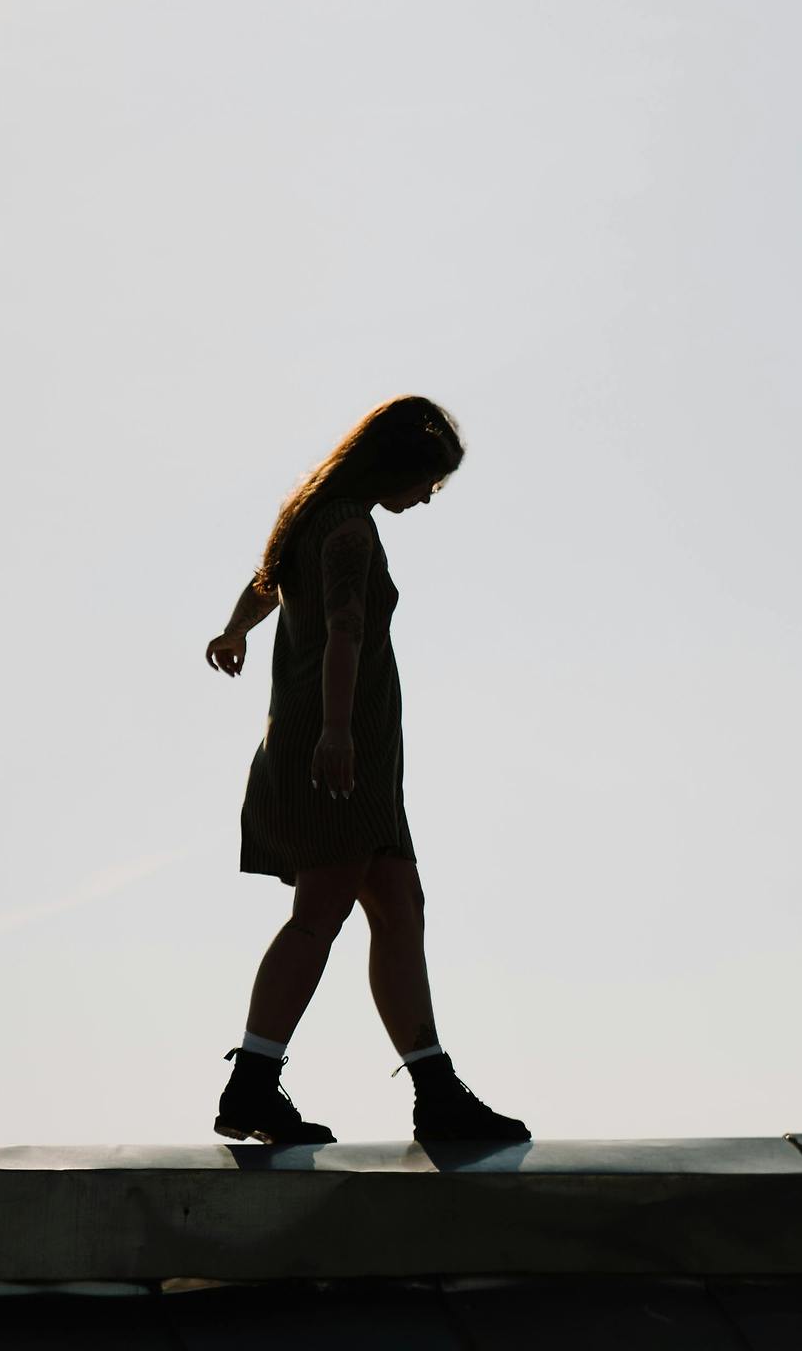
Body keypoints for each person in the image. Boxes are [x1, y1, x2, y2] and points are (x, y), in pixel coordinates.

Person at [205, 394, 531, 1148]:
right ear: (396, 466)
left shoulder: (313, 515)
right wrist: (337, 730)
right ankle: (252, 1085)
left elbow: (266, 583)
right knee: (320, 913)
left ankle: (436, 1092)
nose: (429, 496)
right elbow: (345, 631)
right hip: (339, 750)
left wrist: (234, 630)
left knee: (399, 907)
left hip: (351, 751)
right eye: (429, 480)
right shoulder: (350, 526)